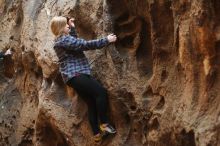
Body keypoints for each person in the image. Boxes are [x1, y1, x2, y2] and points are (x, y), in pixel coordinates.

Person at [50, 16, 117, 143]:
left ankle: (97, 134)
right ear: (60, 28)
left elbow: (74, 44)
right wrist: (106, 40)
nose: (68, 26)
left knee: (91, 102)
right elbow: (84, 45)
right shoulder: (64, 40)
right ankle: (104, 124)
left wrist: (73, 29)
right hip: (77, 74)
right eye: (65, 25)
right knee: (101, 92)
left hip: (72, 77)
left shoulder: (61, 40)